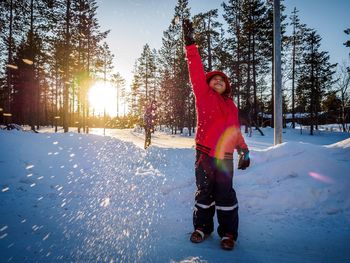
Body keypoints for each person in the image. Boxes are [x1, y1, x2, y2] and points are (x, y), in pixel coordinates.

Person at [183, 19, 250, 250]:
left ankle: (228, 233)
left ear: (227, 86)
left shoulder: (231, 106)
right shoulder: (204, 96)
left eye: (222, 79)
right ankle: (202, 228)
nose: (218, 81)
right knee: (204, 193)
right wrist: (191, 46)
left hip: (226, 159)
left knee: (226, 195)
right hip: (204, 155)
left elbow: (235, 132)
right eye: (214, 79)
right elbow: (195, 70)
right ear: (208, 85)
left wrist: (244, 150)